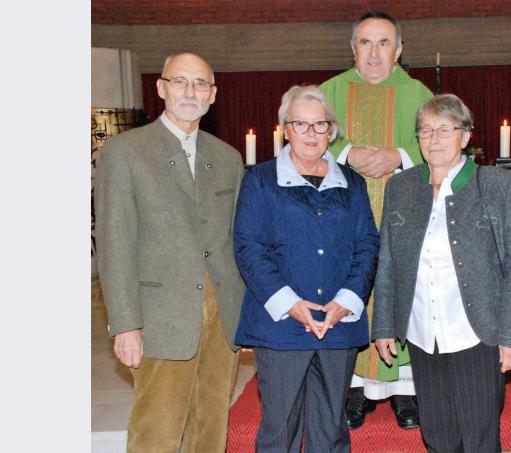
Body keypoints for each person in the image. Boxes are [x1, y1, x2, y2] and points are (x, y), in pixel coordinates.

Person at [94, 52, 245, 452]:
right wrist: (125, 324)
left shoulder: (228, 158)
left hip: (222, 318)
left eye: (200, 84)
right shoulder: (126, 152)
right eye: (180, 81)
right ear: (161, 88)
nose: (190, 91)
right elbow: (115, 244)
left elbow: (235, 242)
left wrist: (245, 314)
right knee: (156, 433)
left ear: (213, 94)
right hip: (160, 317)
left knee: (210, 429)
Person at [372, 94, 511, 452]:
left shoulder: (494, 186)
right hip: (422, 332)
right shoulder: (401, 188)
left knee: (478, 436)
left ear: (465, 136)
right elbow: (387, 262)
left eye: (445, 130)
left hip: (475, 333)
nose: (434, 139)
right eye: (426, 130)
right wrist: (384, 325)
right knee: (438, 434)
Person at [233, 85, 379, 453]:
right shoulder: (259, 181)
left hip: (338, 323)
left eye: (320, 124)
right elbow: (249, 248)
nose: (311, 133)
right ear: (285, 128)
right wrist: (291, 304)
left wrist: (346, 301)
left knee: (330, 431)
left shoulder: (353, 183)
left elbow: (367, 245)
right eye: (301, 124)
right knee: (279, 430)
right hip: (282, 326)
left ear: (331, 129)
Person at [319, 10, 433, 430]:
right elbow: (303, 138)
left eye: (384, 43)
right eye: (365, 43)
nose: (374, 53)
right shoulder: (327, 93)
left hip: (404, 215)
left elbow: (441, 142)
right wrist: (347, 152)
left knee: (403, 290)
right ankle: (354, 388)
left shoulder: (419, 95)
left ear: (399, 51)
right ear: (353, 48)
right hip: (341, 218)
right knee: (348, 288)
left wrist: (400, 157)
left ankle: (406, 390)